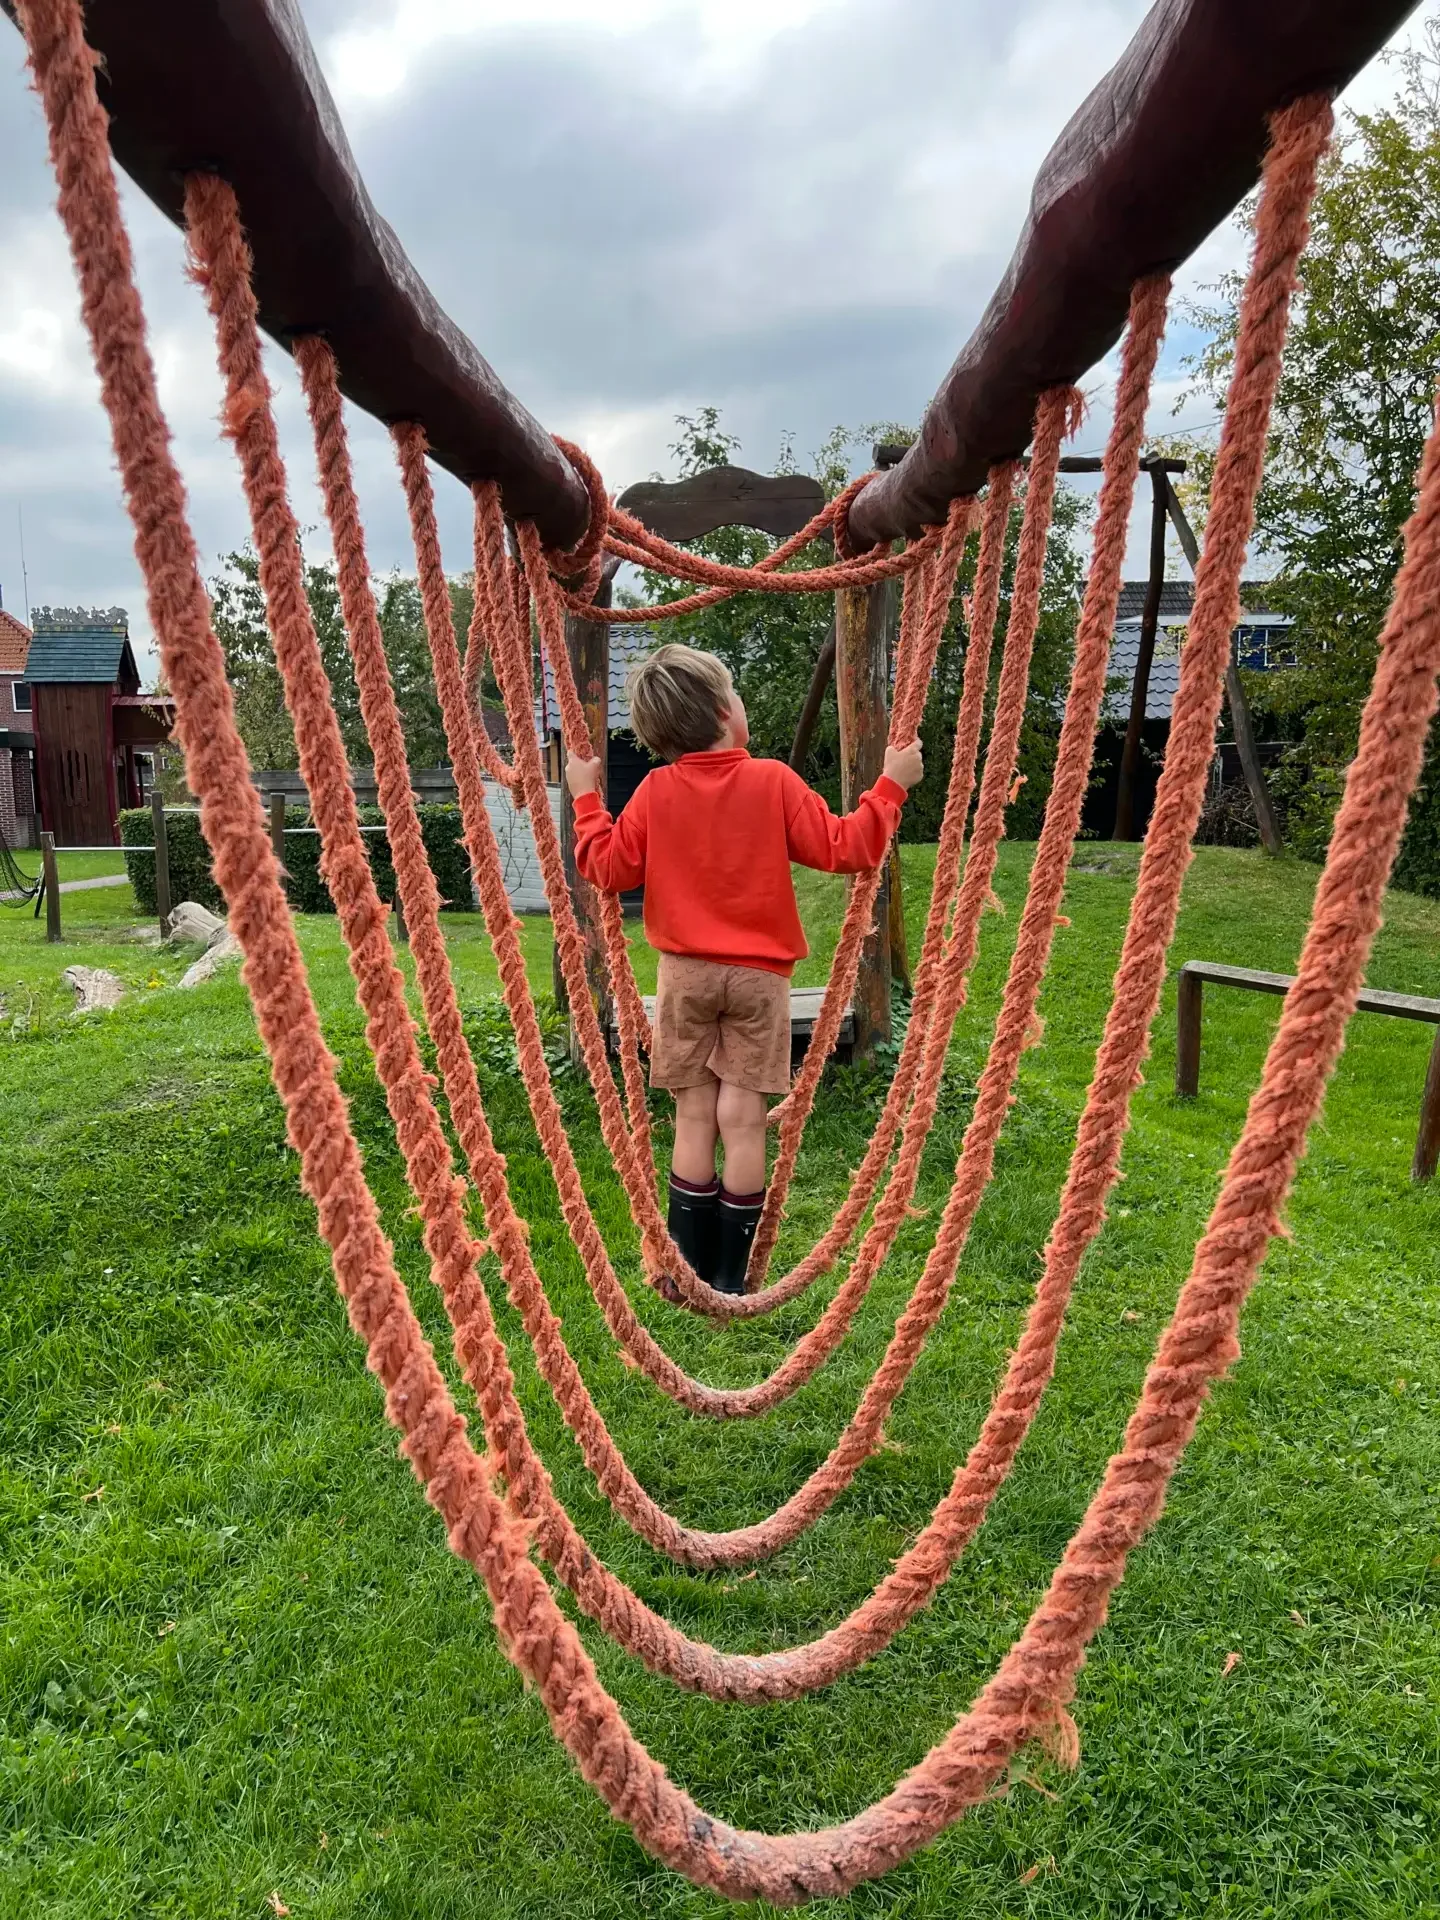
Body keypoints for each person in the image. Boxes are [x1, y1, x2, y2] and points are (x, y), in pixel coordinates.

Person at [569, 642, 923, 1294]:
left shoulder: (654, 791)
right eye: (734, 692)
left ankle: (686, 1269)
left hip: (685, 975)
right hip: (760, 980)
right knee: (742, 1117)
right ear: (722, 713)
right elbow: (848, 847)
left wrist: (587, 799)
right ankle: (731, 1278)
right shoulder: (773, 781)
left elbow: (608, 868)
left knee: (693, 1114)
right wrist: (892, 783)